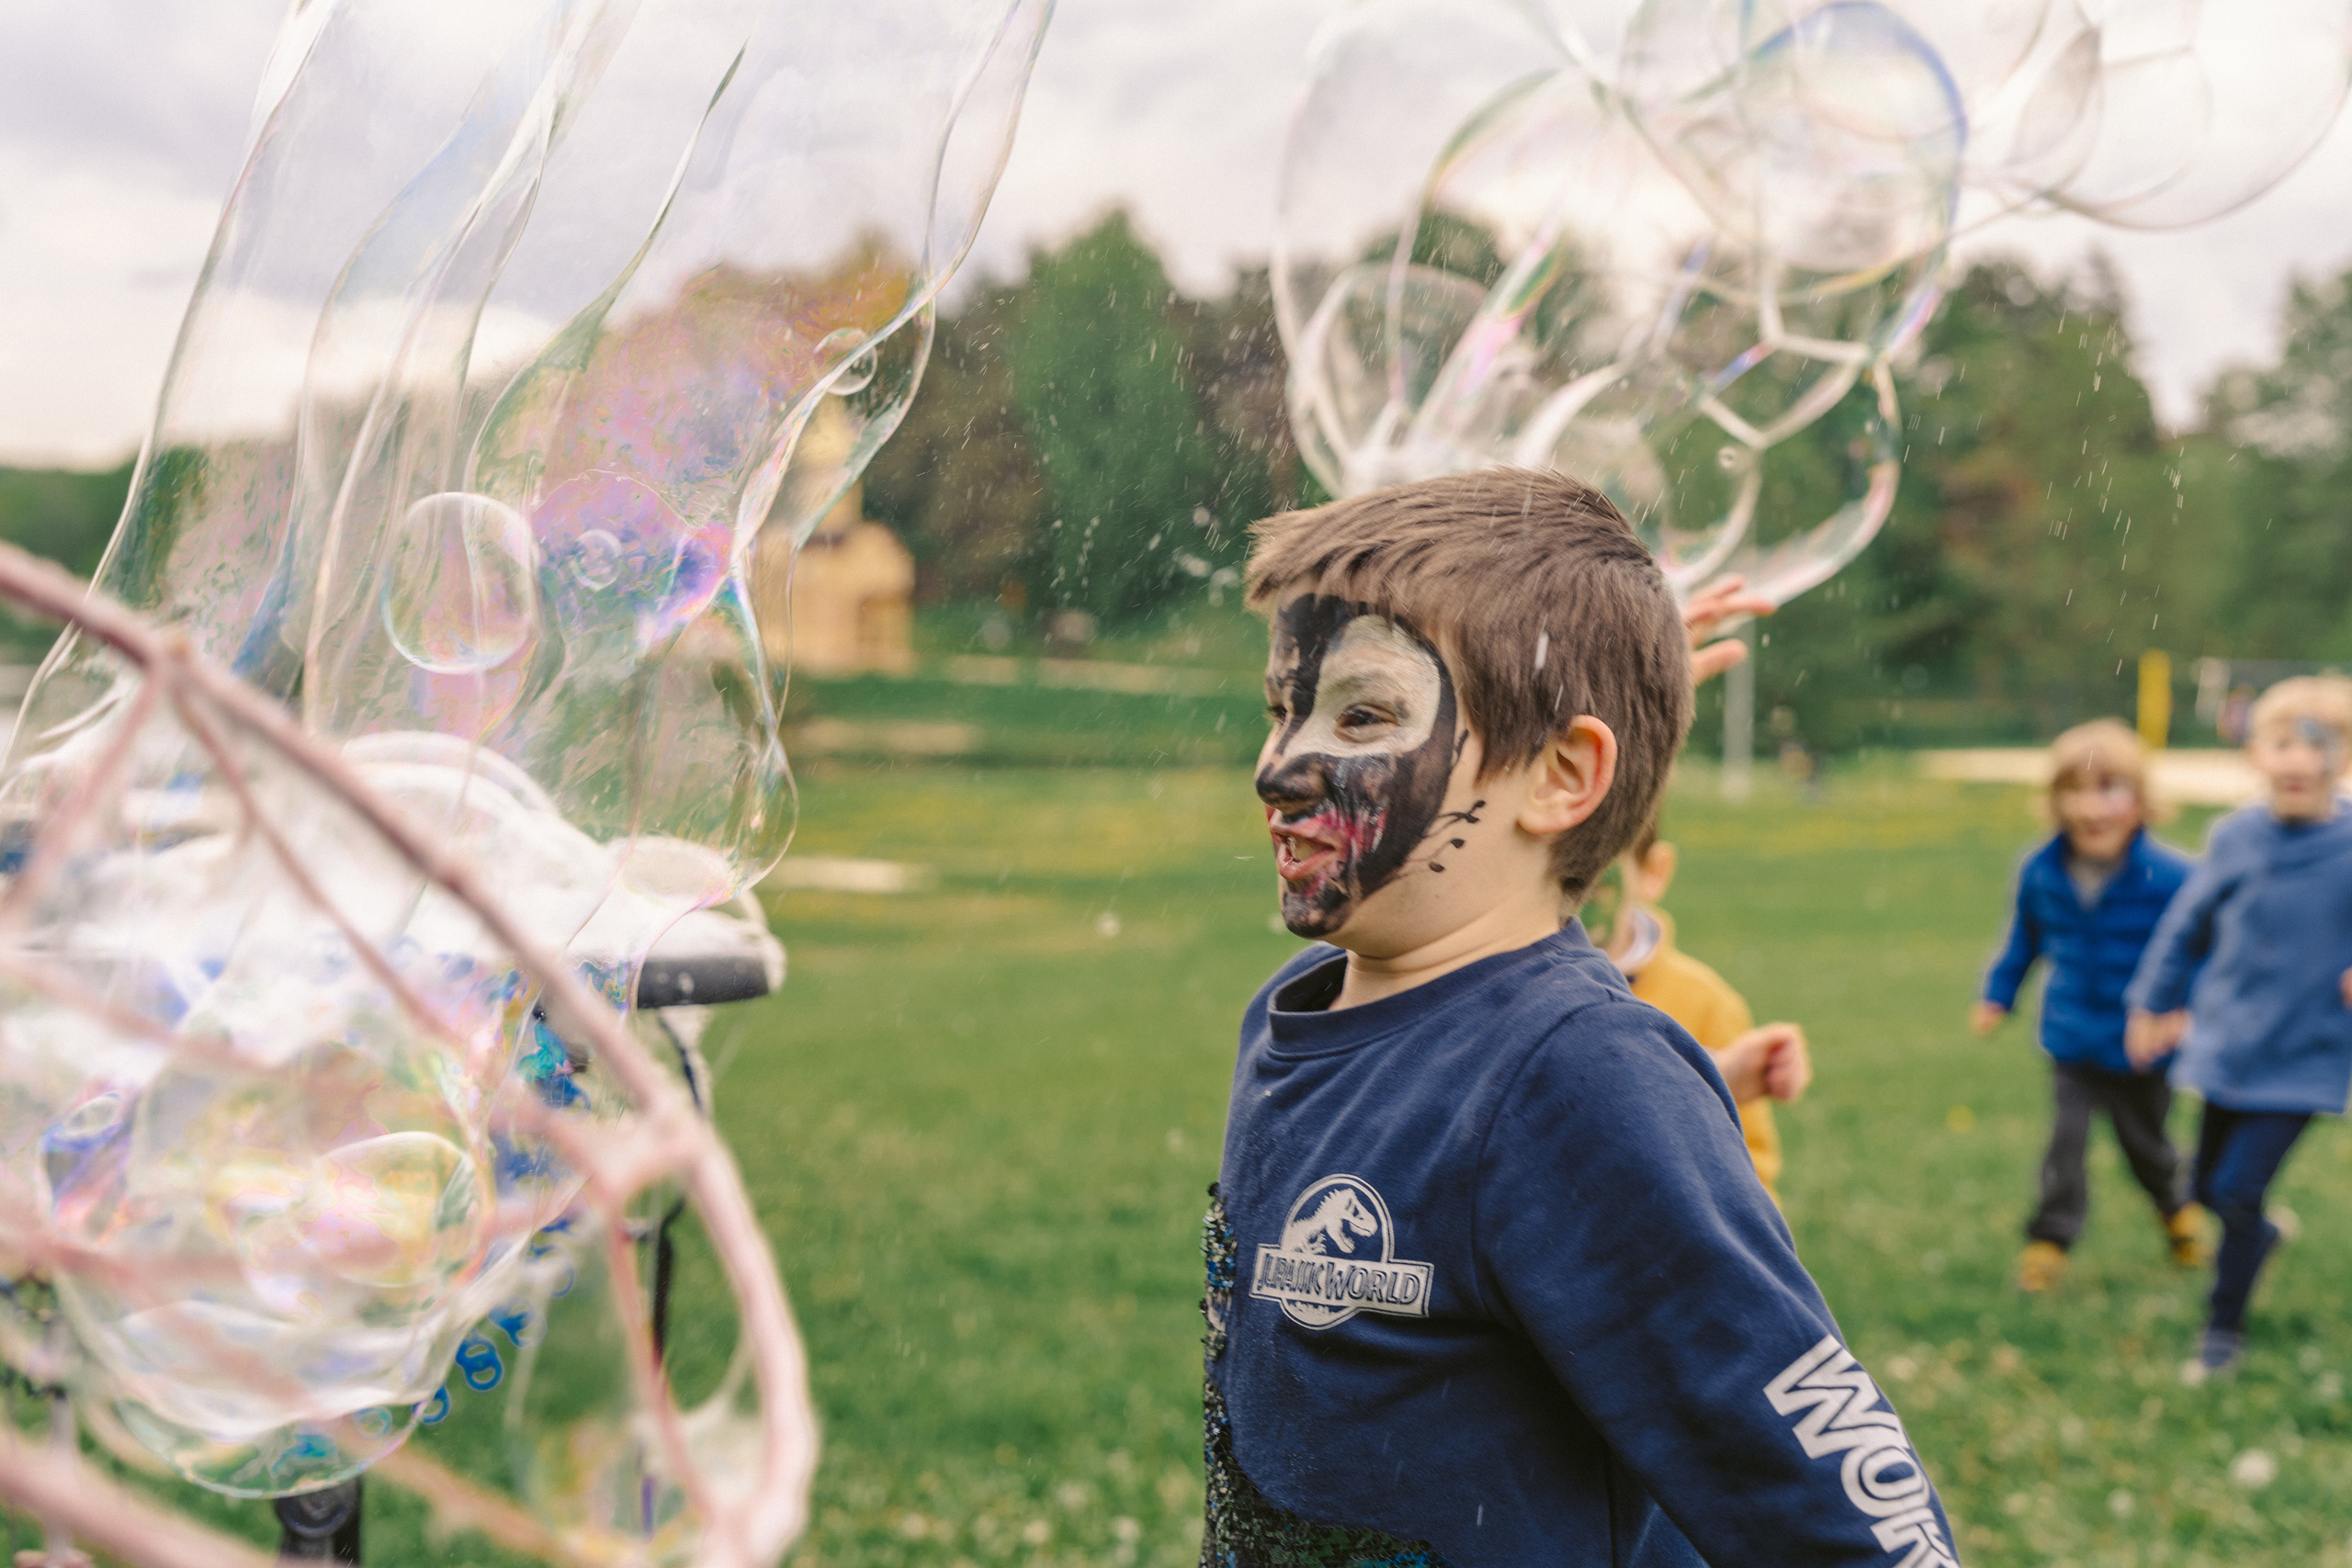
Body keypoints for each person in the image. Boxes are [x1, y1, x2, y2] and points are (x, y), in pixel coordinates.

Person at [1203, 468, 1956, 1566]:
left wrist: (1562, 708)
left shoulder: (1573, 1077)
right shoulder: (1285, 1017)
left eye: (1360, 713)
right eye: (1283, 709)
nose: (1279, 768)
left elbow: (1818, 1484)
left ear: (1563, 775)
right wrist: (1559, 690)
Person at [2126, 676, 2352, 1376]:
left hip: (2303, 1056)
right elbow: (2185, 927)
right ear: (2253, 753)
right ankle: (2257, 1238)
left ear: (2343, 759)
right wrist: (2149, 1003)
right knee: (2202, 1189)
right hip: (2226, 1044)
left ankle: (2223, 1330)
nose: (2298, 759)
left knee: (2236, 1191)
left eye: (2320, 743)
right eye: (2281, 741)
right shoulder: (2234, 838)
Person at [1972, 719, 2199, 1292]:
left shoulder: (2173, 876)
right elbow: (2022, 941)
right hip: (2071, 1037)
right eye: (2074, 789)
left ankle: (2177, 1211)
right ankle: (2049, 1240)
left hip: (2143, 1046)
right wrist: (1997, 996)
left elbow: (2203, 953)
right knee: (2064, 1145)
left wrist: (2184, 1010)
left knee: (2147, 1149)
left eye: (2109, 789)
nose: (2090, 806)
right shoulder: (2041, 870)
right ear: (2055, 801)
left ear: (2142, 801)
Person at [1588, 819, 1812, 1201]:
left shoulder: (1705, 1002)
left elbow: (1750, 1169)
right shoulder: (1500, 988)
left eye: (1588, 876)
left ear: (1652, 872)